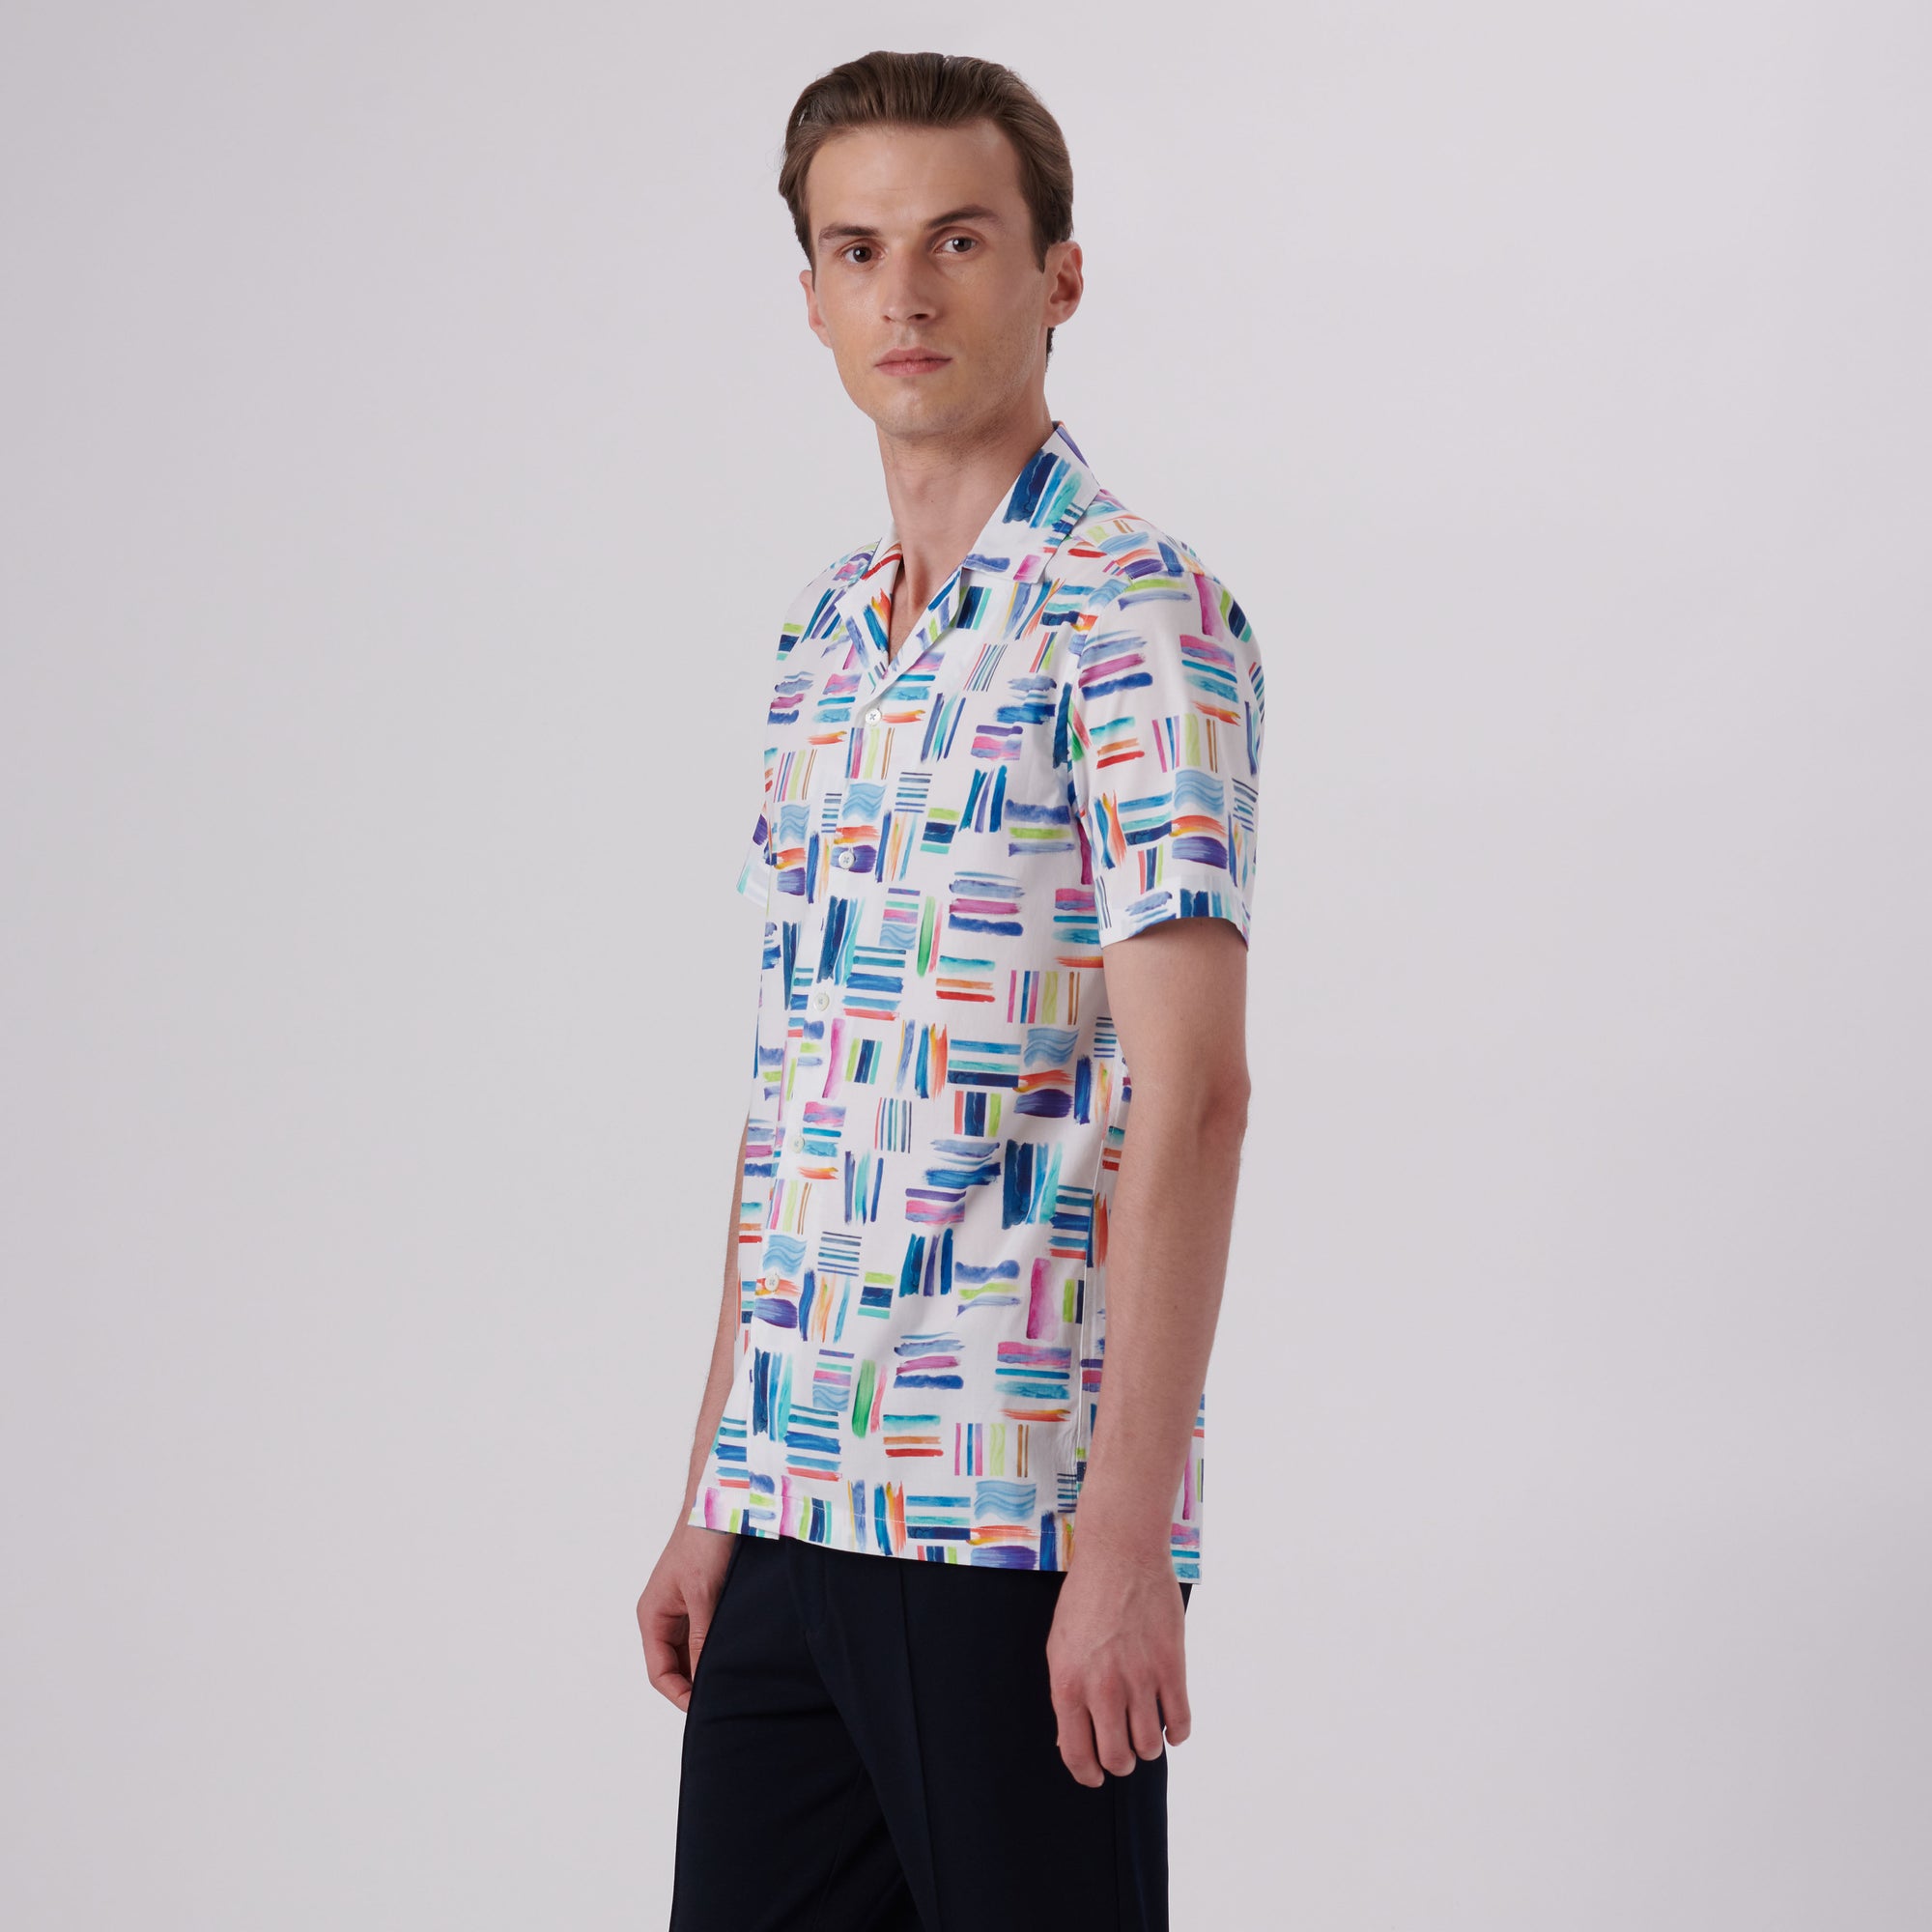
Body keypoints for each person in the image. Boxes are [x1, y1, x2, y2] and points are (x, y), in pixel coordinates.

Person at [636, 48, 1265, 1932]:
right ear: (812, 295)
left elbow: (1196, 1093)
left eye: (958, 240)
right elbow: (797, 1093)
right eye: (859, 249)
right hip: (791, 1505)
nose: (904, 292)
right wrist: (714, 1491)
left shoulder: (1135, 616)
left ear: (1058, 275)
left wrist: (1127, 1541)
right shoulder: (822, 643)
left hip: (1009, 1513)